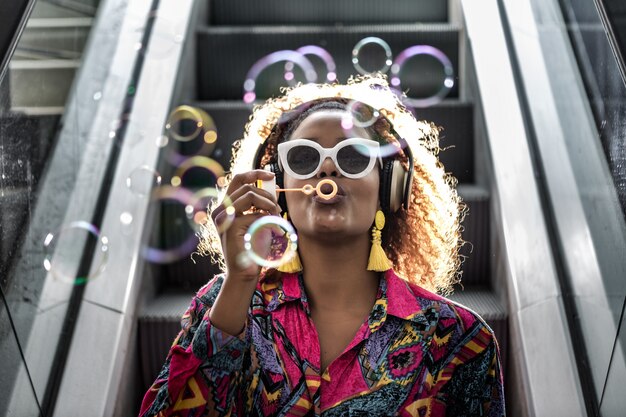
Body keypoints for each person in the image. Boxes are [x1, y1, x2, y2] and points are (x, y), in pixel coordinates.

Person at [138, 74, 505, 416]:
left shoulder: (459, 340)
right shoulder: (220, 304)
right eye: (304, 157)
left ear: (390, 186)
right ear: (277, 188)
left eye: (353, 156)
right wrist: (239, 281)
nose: (327, 169)